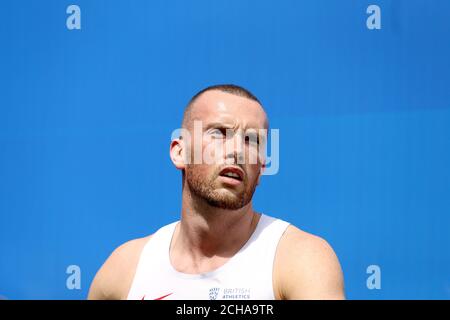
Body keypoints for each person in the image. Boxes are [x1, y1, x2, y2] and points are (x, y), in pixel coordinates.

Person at [88, 84, 345, 300]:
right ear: (180, 152)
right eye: (219, 133)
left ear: (262, 167)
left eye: (252, 140)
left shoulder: (300, 259)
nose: (237, 150)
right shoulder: (124, 269)